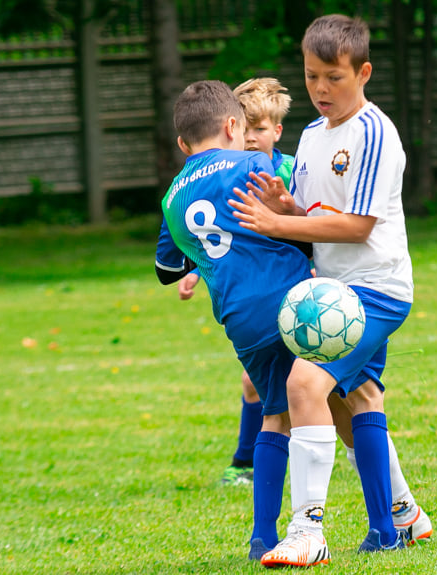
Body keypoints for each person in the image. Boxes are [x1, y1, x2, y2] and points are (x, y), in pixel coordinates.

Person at [229, 14, 432, 566]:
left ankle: (307, 530)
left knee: (303, 383)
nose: (321, 89)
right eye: (312, 76)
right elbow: (315, 213)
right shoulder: (313, 135)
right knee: (358, 400)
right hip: (333, 291)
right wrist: (284, 205)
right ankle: (401, 517)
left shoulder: (373, 132)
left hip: (377, 288)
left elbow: (357, 225)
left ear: (362, 72)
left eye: (334, 78)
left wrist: (280, 225)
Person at [155, 79, 313, 561]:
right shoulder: (257, 163)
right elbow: (297, 223)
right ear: (233, 126)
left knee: (274, 414)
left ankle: (261, 537)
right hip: (293, 299)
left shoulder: (171, 198)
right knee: (348, 396)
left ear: (183, 145)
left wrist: (202, 263)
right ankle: (376, 520)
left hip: (240, 318)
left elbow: (166, 269)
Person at [174, 77, 296, 486]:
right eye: (247, 128)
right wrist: (194, 270)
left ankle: (281, 457)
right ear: (233, 127)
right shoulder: (234, 173)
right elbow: (225, 240)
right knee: (269, 393)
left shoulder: (287, 171)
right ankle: (248, 461)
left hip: (293, 291)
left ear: (276, 131)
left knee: (302, 394)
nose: (251, 138)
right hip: (264, 302)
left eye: (259, 130)